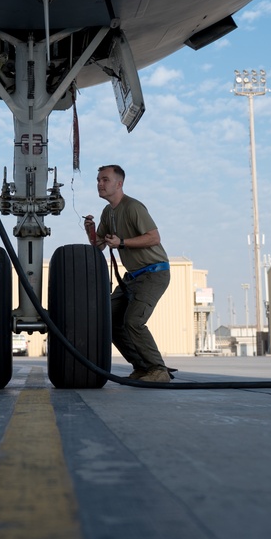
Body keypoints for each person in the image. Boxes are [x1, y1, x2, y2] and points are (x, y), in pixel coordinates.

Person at [84, 164, 172, 383]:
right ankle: (143, 368)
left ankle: (158, 370)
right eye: (98, 180)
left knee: (133, 321)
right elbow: (100, 246)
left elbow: (154, 238)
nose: (100, 184)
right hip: (132, 277)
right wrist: (91, 232)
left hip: (153, 273)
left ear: (119, 184)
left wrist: (122, 242)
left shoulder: (133, 207)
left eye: (105, 180)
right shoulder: (108, 212)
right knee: (109, 320)